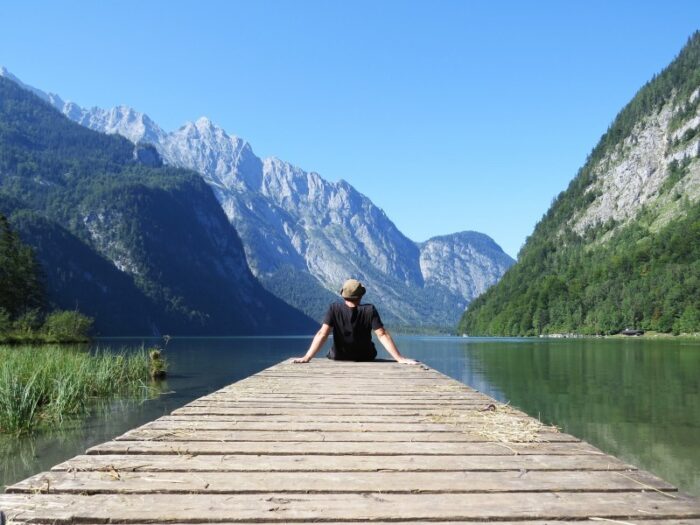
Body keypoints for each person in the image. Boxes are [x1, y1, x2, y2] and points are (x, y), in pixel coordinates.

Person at [293, 278, 419, 364]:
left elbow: (323, 334)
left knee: (331, 350)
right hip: (366, 356)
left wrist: (307, 357)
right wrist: (399, 358)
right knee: (372, 347)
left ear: (343, 295)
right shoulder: (370, 310)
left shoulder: (334, 308)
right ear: (361, 296)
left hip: (339, 356)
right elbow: (382, 334)